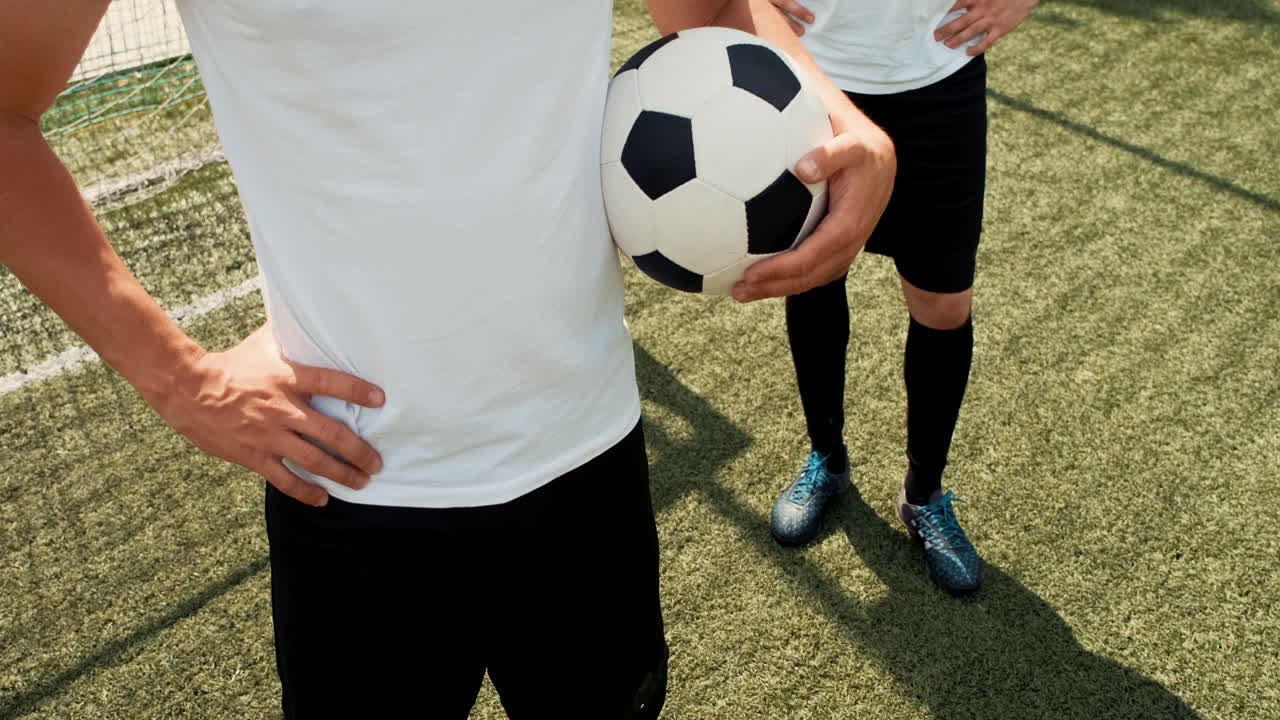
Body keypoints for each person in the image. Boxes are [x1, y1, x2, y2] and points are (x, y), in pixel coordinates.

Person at [0, 1, 893, 717]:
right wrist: (181, 380)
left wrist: (837, 117)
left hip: (586, 462)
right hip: (353, 496)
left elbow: (712, 13)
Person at [765, 0, 1037, 595]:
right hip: (816, 80)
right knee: (813, 273)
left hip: (940, 77)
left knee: (943, 306)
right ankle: (827, 459)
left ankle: (924, 495)